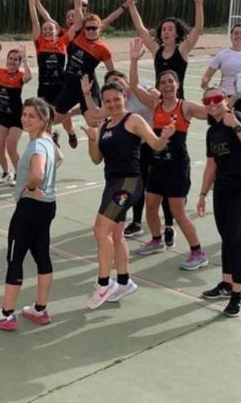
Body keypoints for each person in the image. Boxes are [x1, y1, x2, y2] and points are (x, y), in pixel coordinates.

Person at [81, 82, 174, 309]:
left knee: (100, 229)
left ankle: (104, 283)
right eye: (108, 101)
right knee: (115, 232)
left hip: (128, 184)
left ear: (124, 97)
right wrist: (93, 140)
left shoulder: (133, 120)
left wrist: (164, 136)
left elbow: (155, 143)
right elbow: (96, 159)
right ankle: (123, 281)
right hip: (111, 183)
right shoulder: (103, 126)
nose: (112, 104)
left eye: (116, 99)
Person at [127, 59, 210, 271]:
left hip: (177, 167)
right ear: (159, 86)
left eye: (170, 81)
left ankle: (198, 251)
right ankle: (157, 240)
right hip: (158, 164)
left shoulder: (186, 107)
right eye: (162, 82)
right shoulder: (156, 104)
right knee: (151, 206)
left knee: (177, 211)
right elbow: (134, 85)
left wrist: (226, 99)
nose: (166, 85)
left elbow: (211, 112)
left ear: (177, 84)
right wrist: (134, 60)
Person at [0, 98, 60, 330]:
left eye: (32, 116)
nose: (26, 120)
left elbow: (37, 173)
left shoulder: (37, 145)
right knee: (41, 255)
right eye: (25, 114)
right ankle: (40, 308)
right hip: (48, 205)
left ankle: (7, 314)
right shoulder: (48, 140)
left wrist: (31, 187)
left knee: (15, 257)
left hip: (30, 207)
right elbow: (59, 159)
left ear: (43, 119)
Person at [197, 87, 241, 317]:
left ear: (225, 99)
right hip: (223, 190)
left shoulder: (238, 118)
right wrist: (203, 194)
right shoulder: (212, 132)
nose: (212, 103)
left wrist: (235, 125)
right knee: (226, 238)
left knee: (235, 239)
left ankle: (238, 293)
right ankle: (226, 284)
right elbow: (211, 165)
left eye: (216, 98)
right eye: (207, 100)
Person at [52, 0, 115, 129]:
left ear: (99, 29)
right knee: (54, 119)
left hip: (86, 87)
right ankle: (76, 111)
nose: (91, 30)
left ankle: (82, 111)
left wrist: (116, 89)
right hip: (70, 85)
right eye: (89, 28)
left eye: (95, 28)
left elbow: (112, 72)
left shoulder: (103, 48)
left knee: (94, 123)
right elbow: (78, 6)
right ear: (83, 28)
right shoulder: (77, 35)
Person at [125, 0, 206, 99]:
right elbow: (140, 28)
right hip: (159, 101)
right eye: (163, 29)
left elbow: (198, 28)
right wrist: (131, 4)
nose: (166, 32)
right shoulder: (156, 50)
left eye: (170, 29)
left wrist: (198, 3)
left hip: (178, 101)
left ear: (177, 33)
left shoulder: (183, 50)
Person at [23, 0, 76, 148]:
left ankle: (71, 133)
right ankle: (52, 136)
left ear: (56, 31)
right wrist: (31, 0)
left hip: (61, 86)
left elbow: (77, 24)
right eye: (44, 29)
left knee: (65, 115)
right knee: (45, 117)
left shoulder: (62, 42)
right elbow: (34, 21)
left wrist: (79, 1)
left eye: (50, 29)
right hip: (44, 88)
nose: (46, 31)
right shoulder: (39, 44)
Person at [0, 44, 32, 185]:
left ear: (19, 62)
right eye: (10, 58)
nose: (12, 61)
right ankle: (6, 172)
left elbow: (29, 77)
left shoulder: (20, 76)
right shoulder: (1, 72)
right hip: (2, 115)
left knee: (11, 147)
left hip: (17, 117)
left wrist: (26, 60)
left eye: (16, 59)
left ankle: (19, 174)